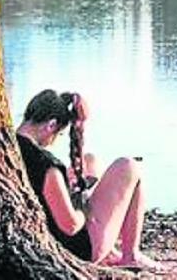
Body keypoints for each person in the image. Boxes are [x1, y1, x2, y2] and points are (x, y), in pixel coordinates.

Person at [16, 89, 160, 270]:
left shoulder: (9, 146)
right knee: (129, 167)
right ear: (51, 125)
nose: (53, 141)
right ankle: (131, 255)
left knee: (90, 161)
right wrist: (83, 209)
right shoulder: (47, 166)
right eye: (57, 134)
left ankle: (113, 250)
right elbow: (70, 225)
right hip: (79, 247)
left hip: (53, 230)